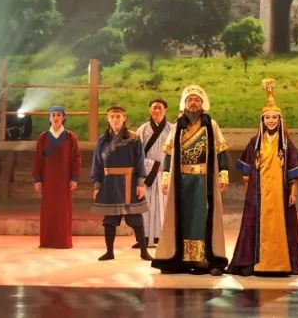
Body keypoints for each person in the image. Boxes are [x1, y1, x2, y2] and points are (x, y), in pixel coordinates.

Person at [228, 79, 298, 276]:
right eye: (268, 118)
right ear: (262, 120)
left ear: (280, 120)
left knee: (280, 225)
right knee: (257, 225)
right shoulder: (255, 142)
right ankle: (255, 262)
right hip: (259, 192)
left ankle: (281, 263)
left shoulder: (286, 143)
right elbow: (246, 172)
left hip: (280, 192)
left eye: (274, 118)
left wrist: (294, 192)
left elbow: (294, 170)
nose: (271, 121)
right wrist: (248, 192)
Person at [152, 85, 231, 275]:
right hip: (182, 180)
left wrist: (223, 174)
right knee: (182, 218)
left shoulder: (211, 125)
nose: (193, 103)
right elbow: (169, 154)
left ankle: (203, 259)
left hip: (203, 180)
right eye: (190, 100)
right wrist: (166, 178)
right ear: (184, 104)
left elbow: (221, 151)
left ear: (202, 103)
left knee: (201, 218)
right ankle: (181, 258)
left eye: (196, 100)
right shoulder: (177, 126)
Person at [92, 105, 150, 260]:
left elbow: (140, 161)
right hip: (109, 183)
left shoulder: (133, 138)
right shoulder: (102, 140)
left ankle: (144, 251)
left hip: (129, 182)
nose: (115, 119)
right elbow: (97, 164)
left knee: (136, 219)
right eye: (112, 117)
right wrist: (97, 185)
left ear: (124, 118)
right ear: (108, 119)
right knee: (109, 220)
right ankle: (109, 252)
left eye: (118, 116)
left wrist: (140, 183)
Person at [33, 105, 82, 249]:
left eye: (59, 115)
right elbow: (38, 159)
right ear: (49, 117)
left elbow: (76, 158)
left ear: (63, 117)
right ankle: (47, 241)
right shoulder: (43, 137)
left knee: (63, 211)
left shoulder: (70, 137)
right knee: (48, 210)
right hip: (48, 180)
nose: (56, 117)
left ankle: (63, 241)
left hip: (64, 180)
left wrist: (74, 178)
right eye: (53, 115)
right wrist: (37, 179)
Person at [135, 98, 172, 249]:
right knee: (146, 205)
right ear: (150, 109)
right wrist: (152, 165)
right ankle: (143, 238)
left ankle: (161, 237)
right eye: (154, 107)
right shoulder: (142, 130)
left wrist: (167, 166)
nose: (156, 110)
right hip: (147, 172)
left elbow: (176, 151)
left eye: (159, 108)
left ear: (165, 110)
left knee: (164, 205)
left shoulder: (172, 129)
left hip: (166, 173)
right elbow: (137, 154)